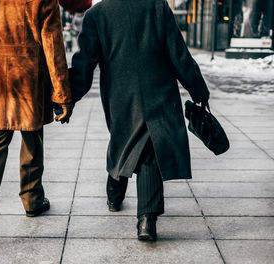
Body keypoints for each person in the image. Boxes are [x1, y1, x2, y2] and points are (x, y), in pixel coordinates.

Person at [69, 0, 209, 241]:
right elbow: (178, 53)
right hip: (159, 90)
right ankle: (146, 219)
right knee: (148, 148)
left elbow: (84, 65)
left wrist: (66, 98)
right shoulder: (157, 6)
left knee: (127, 141)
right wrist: (198, 89)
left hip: (121, 96)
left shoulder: (97, 14)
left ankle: (117, 196)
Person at [0, 0, 73, 244]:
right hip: (28, 78)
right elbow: (53, 47)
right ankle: (33, 199)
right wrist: (61, 93)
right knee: (32, 137)